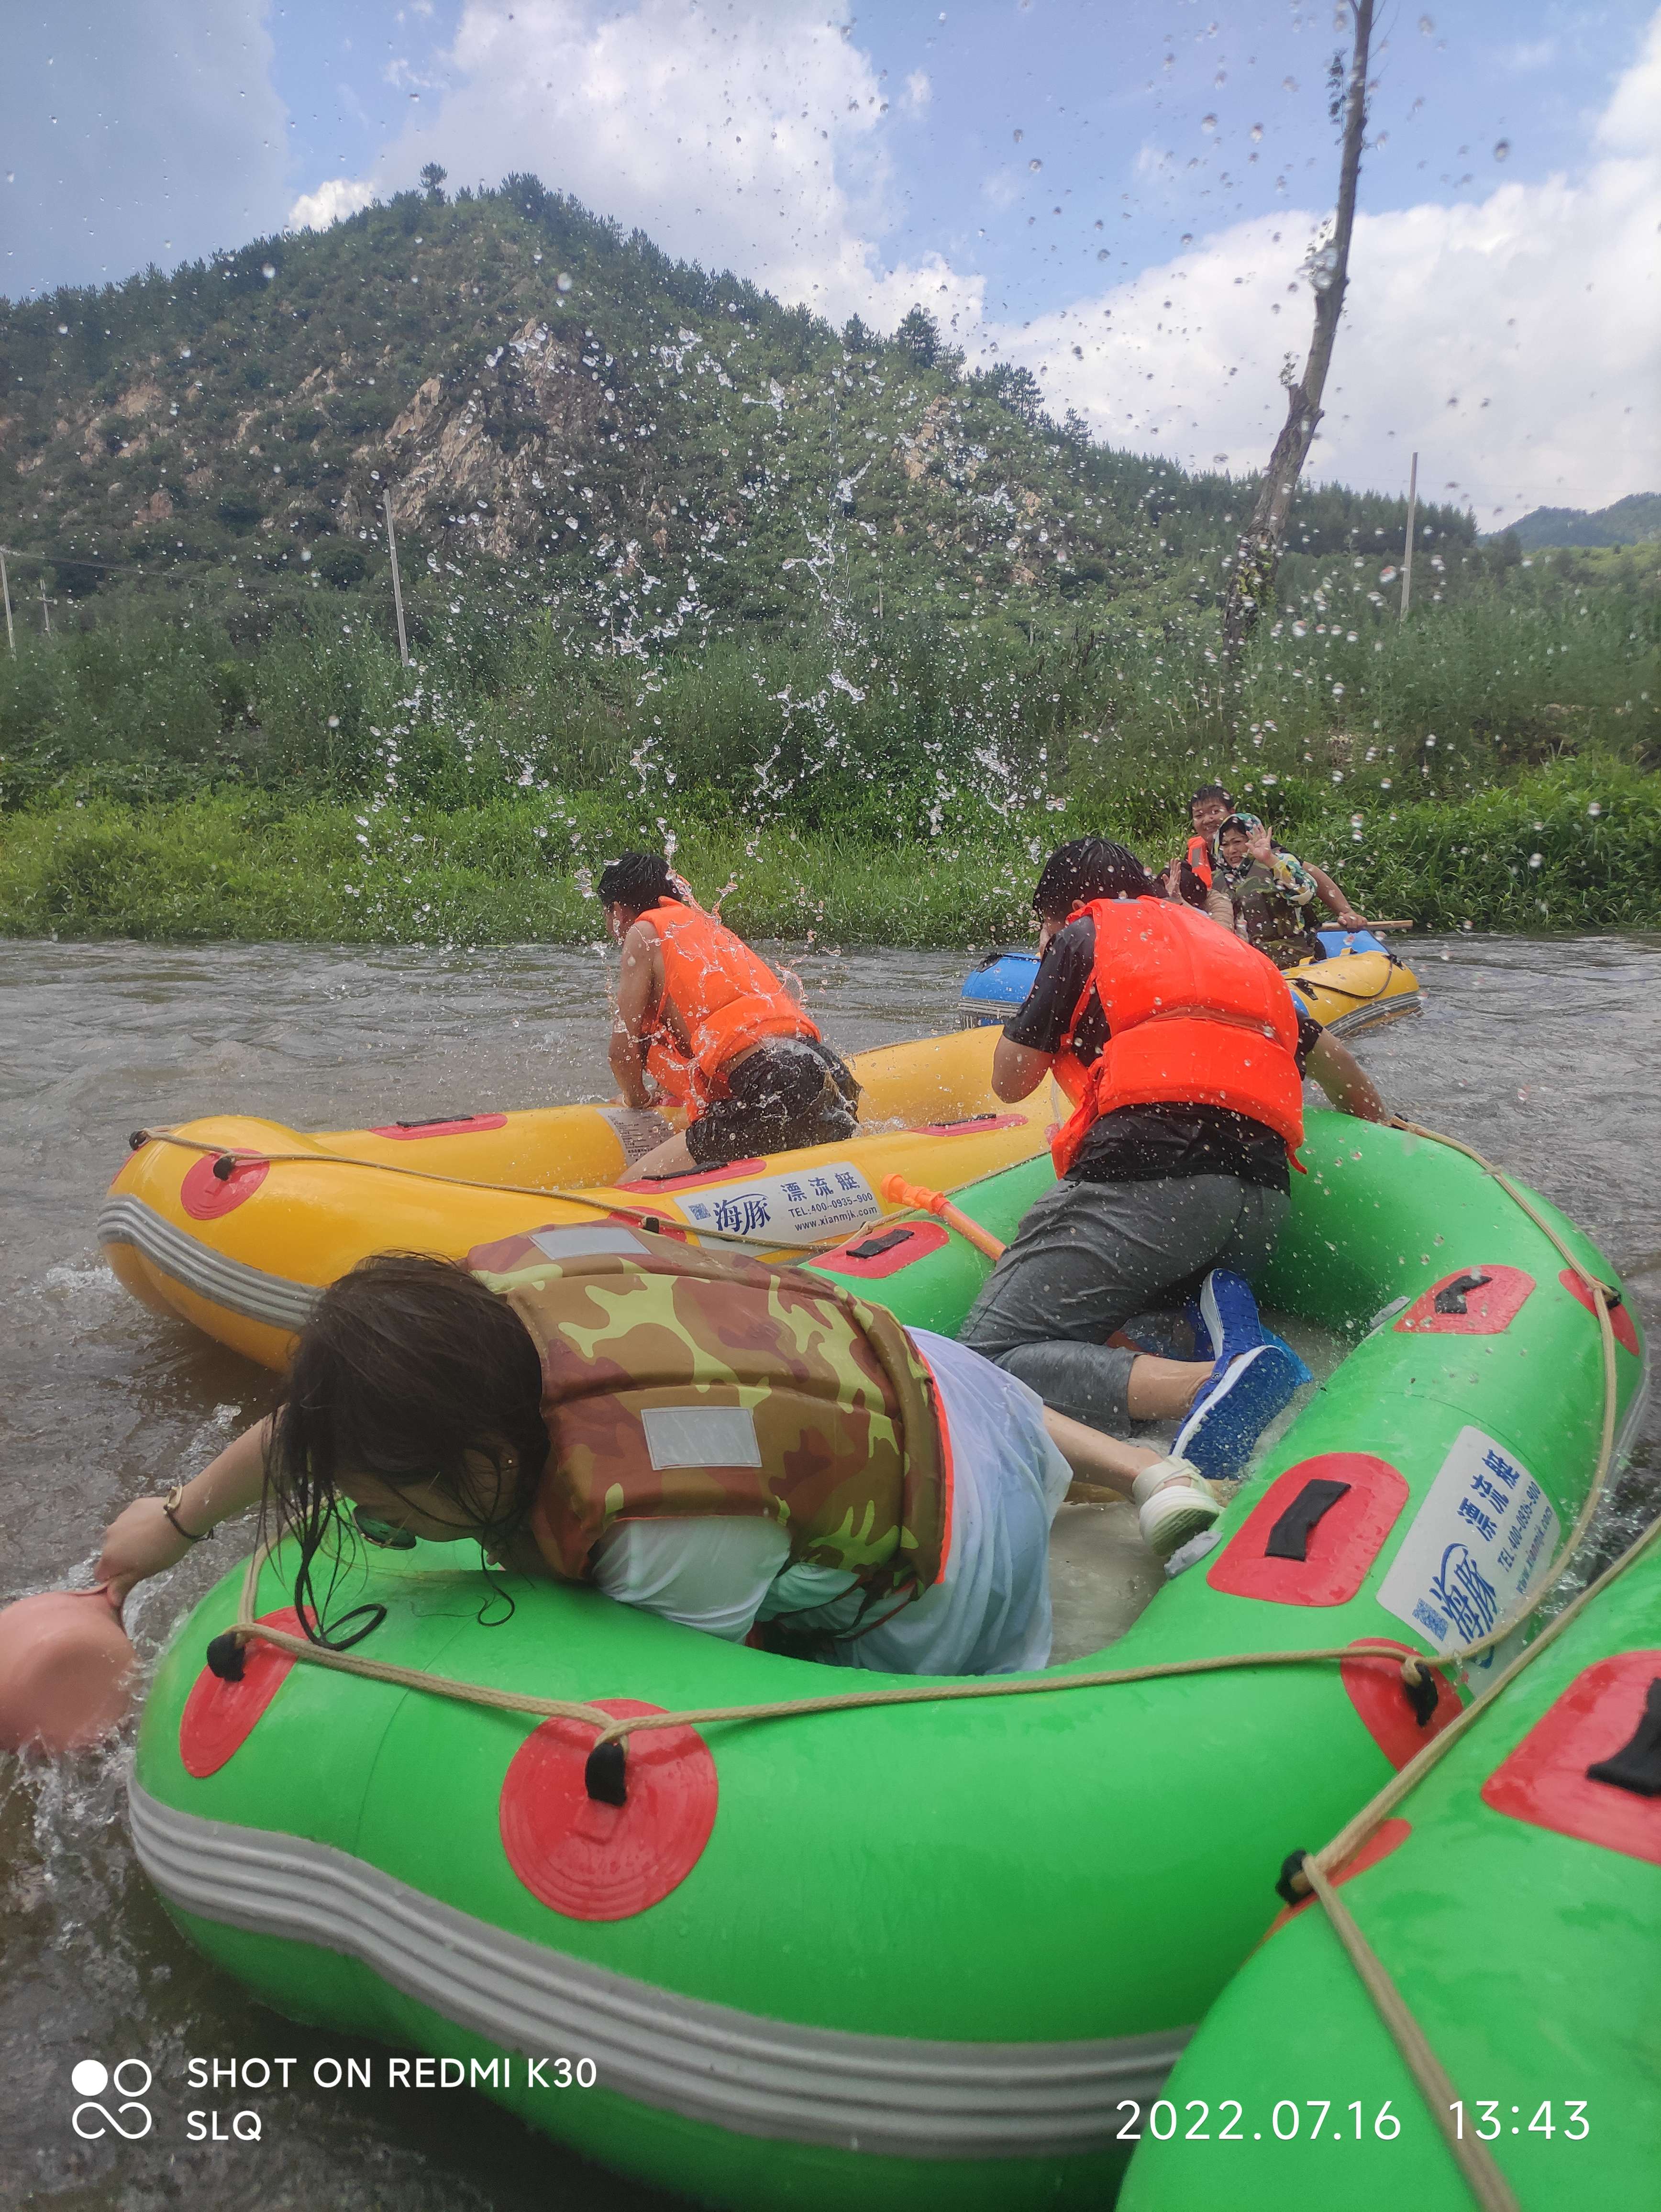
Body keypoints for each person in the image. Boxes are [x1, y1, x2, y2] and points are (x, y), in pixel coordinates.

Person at [92, 1249, 1227, 1688]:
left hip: (957, 1550)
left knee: (828, 1648)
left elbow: (695, 1691)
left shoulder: (664, 1516)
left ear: (486, 1464)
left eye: (387, 1503)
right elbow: (318, 1419)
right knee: (957, 1392)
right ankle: (1131, 1463)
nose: (370, 1519)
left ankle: (1110, 1480)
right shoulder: (495, 1332)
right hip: (932, 1374)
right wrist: (173, 1524)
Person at [960, 838, 1387, 1480]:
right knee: (1142, 1307)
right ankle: (1204, 1332)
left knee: (982, 1360)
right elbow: (1349, 1080)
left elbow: (1012, 1081)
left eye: (1046, 921)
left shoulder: (1087, 933)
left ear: (1073, 906)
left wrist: (1052, 969)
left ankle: (1203, 1385)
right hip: (1260, 1204)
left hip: (1152, 1186)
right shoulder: (1239, 955)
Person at [596, 852, 860, 1180]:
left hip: (775, 1083)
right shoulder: (706, 927)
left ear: (619, 911)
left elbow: (622, 1052)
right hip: (828, 1071)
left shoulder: (643, 933)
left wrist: (639, 1099)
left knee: (631, 1186)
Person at [1205, 812, 1368, 969]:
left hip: (1296, 959)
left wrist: (1270, 860)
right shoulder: (1218, 879)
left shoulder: (1281, 861)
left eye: (1238, 842)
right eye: (1225, 844)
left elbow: (1305, 892)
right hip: (1252, 964)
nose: (1231, 850)